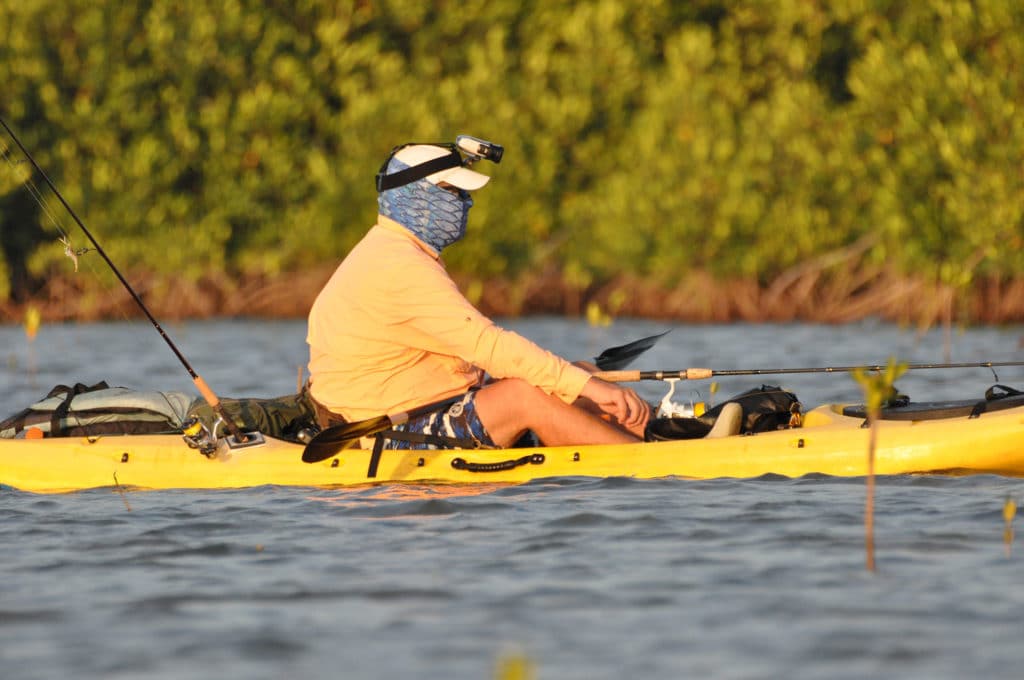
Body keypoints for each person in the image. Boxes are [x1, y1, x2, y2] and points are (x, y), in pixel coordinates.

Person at [306, 138, 650, 449]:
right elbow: (490, 346)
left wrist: (582, 382)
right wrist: (587, 387)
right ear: (416, 196)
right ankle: (645, 465)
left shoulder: (395, 250)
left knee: (582, 373)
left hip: (425, 405)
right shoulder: (399, 266)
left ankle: (638, 445)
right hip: (381, 432)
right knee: (524, 397)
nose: (465, 204)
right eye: (454, 193)